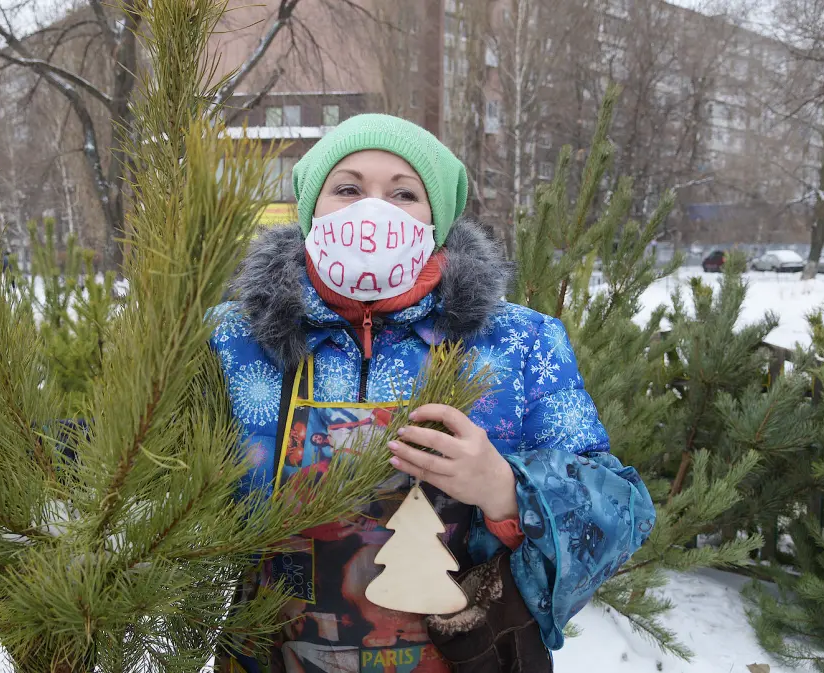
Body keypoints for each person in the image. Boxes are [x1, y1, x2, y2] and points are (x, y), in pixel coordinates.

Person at [210, 114, 655, 672]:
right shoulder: (235, 342)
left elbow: (623, 511)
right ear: (309, 210)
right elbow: (139, 480)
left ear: (437, 220)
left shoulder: (517, 342)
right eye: (347, 188)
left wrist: (506, 489)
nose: (373, 211)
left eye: (404, 193)